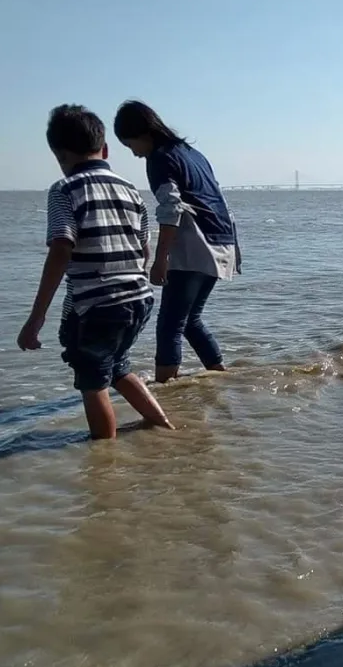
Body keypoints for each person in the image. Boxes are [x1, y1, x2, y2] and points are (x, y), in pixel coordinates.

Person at [17, 104, 173, 439]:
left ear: (59, 155)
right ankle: (163, 426)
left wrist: (36, 317)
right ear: (104, 149)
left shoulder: (64, 190)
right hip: (138, 299)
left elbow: (61, 248)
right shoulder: (130, 190)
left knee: (91, 382)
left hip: (96, 306)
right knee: (117, 367)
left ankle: (104, 461)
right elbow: (143, 249)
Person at [113, 101, 241, 384]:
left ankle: (165, 394)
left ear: (142, 133)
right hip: (223, 241)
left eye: (130, 144)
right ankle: (221, 378)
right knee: (190, 320)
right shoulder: (192, 153)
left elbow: (171, 209)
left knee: (170, 323)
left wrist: (161, 260)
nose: (133, 153)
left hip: (197, 244)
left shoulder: (159, 158)